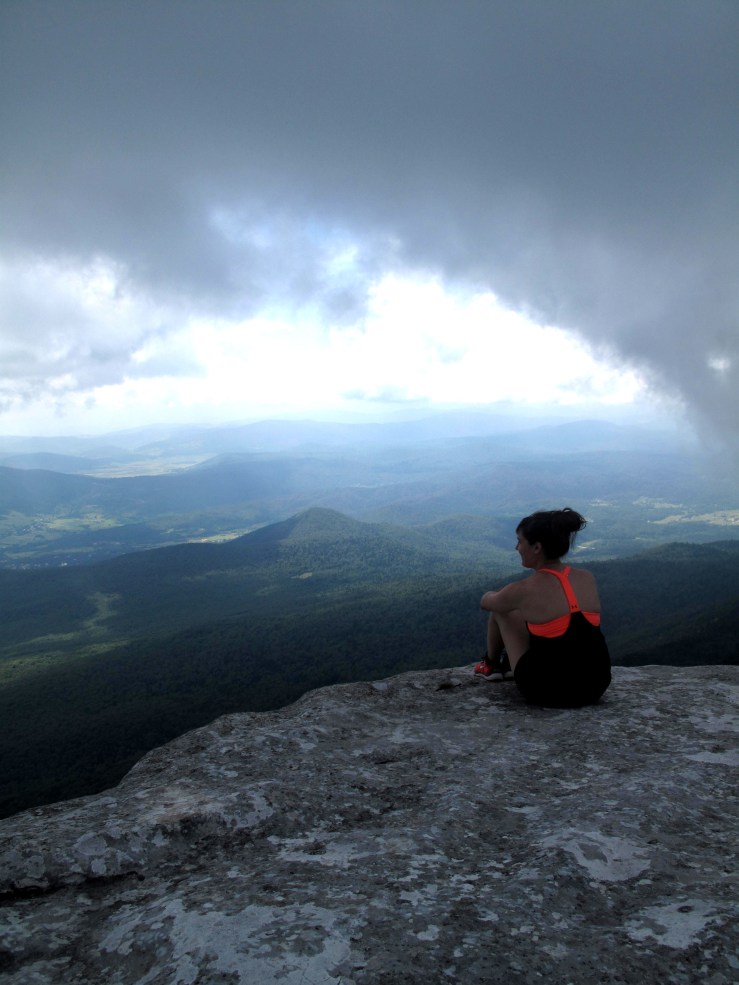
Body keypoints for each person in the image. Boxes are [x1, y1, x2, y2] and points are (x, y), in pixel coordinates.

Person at [474, 508, 611, 707]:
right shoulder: (587, 578)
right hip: (596, 686)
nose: (517, 547)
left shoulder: (524, 590)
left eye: (520, 541)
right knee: (547, 626)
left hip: (546, 689)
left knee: (502, 611)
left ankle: (491, 666)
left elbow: (486, 602)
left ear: (537, 547)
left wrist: (504, 593)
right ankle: (502, 665)